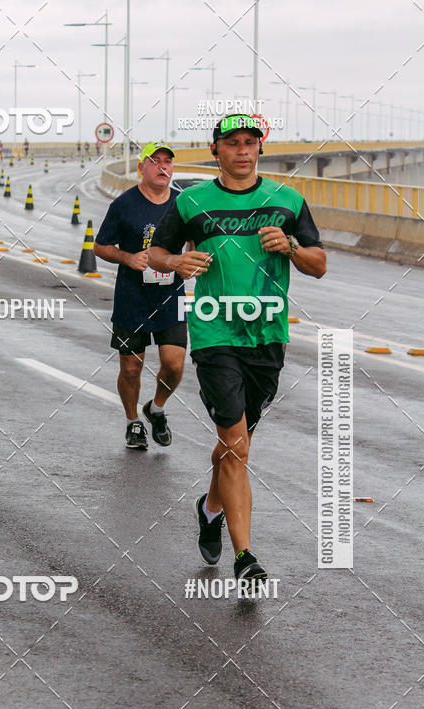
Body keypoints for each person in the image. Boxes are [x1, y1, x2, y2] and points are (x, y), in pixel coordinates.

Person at [149, 114, 326, 582]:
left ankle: (210, 509)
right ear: (216, 152)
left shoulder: (287, 201)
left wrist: (290, 247)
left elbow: (319, 264)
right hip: (214, 334)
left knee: (237, 446)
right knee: (235, 443)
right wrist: (178, 261)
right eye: (232, 143)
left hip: (267, 337)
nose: (242, 150)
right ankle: (245, 557)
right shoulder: (192, 204)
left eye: (250, 143)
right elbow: (156, 255)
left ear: (259, 150)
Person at [94, 142, 187, 451]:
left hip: (171, 296)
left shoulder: (183, 204)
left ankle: (156, 408)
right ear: (141, 168)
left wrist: (192, 263)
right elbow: (100, 246)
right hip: (132, 297)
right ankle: (133, 421)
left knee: (174, 365)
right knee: (131, 367)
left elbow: (199, 241)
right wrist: (127, 258)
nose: (163, 167)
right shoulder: (124, 204)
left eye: (168, 162)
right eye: (155, 161)